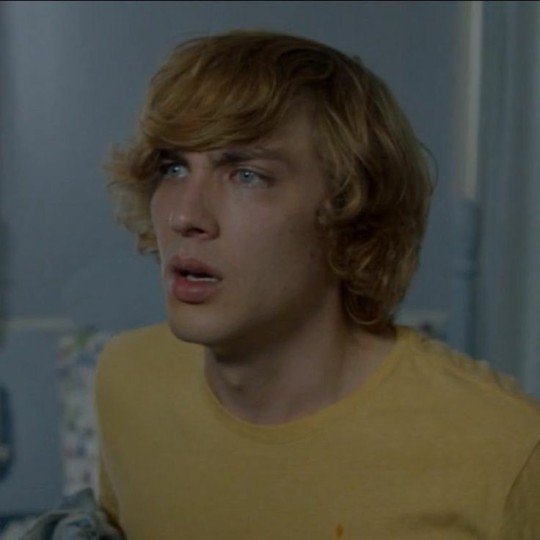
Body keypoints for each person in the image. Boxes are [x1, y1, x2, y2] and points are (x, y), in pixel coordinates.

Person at [97, 30, 540, 539]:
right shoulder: (127, 379)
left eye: (246, 175)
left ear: (349, 209)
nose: (184, 215)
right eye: (173, 168)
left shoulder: (503, 452)